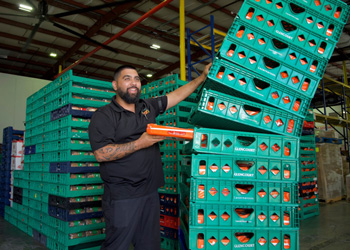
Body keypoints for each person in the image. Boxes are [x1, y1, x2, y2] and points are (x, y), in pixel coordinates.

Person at [88, 63, 211, 250]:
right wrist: (140, 143)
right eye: (127, 78)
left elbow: (174, 97)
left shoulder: (146, 106)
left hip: (149, 192)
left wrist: (201, 77)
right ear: (115, 85)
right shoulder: (104, 115)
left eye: (137, 79)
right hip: (122, 196)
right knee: (117, 245)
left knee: (149, 245)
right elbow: (101, 154)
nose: (134, 83)